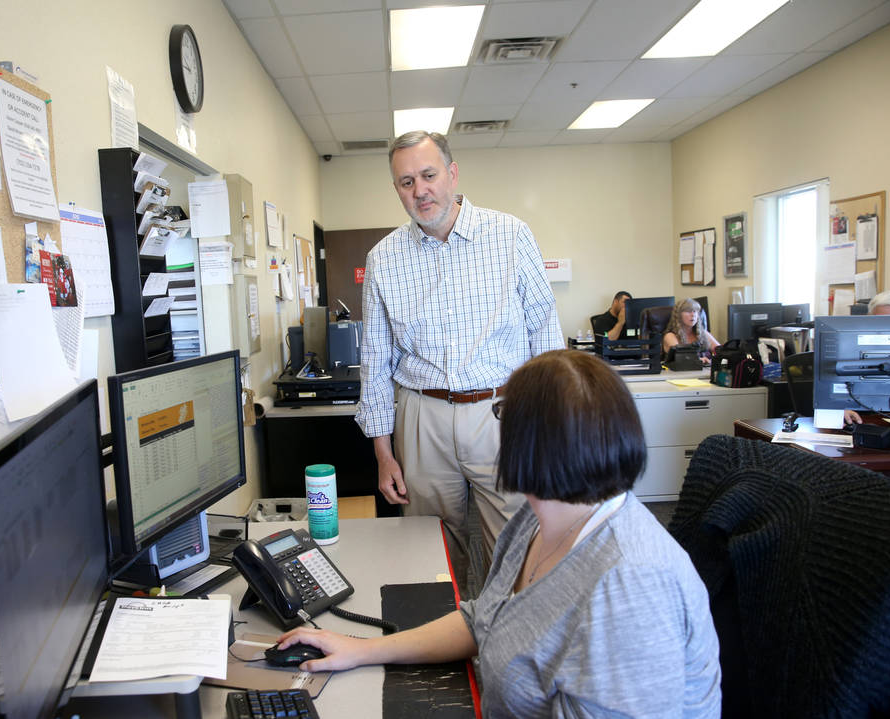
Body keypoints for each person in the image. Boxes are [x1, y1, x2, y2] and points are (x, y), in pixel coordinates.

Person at [280, 350, 722, 717]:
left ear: (530, 442)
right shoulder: (538, 518)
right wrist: (360, 650)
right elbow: (482, 619)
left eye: (501, 411)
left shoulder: (632, 585)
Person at [356, 130, 564, 587]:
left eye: (428, 175)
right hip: (421, 417)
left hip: (502, 413)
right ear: (396, 189)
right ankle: (442, 651)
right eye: (406, 182)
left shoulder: (510, 236)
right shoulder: (383, 259)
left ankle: (503, 649)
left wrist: (551, 430)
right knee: (427, 549)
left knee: (515, 544)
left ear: (452, 174)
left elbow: (545, 335)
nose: (420, 190)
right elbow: (375, 359)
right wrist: (383, 454)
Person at [844, 289, 890, 425]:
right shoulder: (849, 348)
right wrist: (837, 409)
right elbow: (830, 390)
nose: (887, 329)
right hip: (861, 421)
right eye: (879, 321)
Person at [663, 297, 720, 362]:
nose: (693, 315)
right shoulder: (670, 336)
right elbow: (680, 357)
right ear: (678, 315)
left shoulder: (703, 333)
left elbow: (720, 350)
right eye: (688, 311)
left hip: (705, 370)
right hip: (681, 371)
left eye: (695, 311)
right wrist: (699, 360)